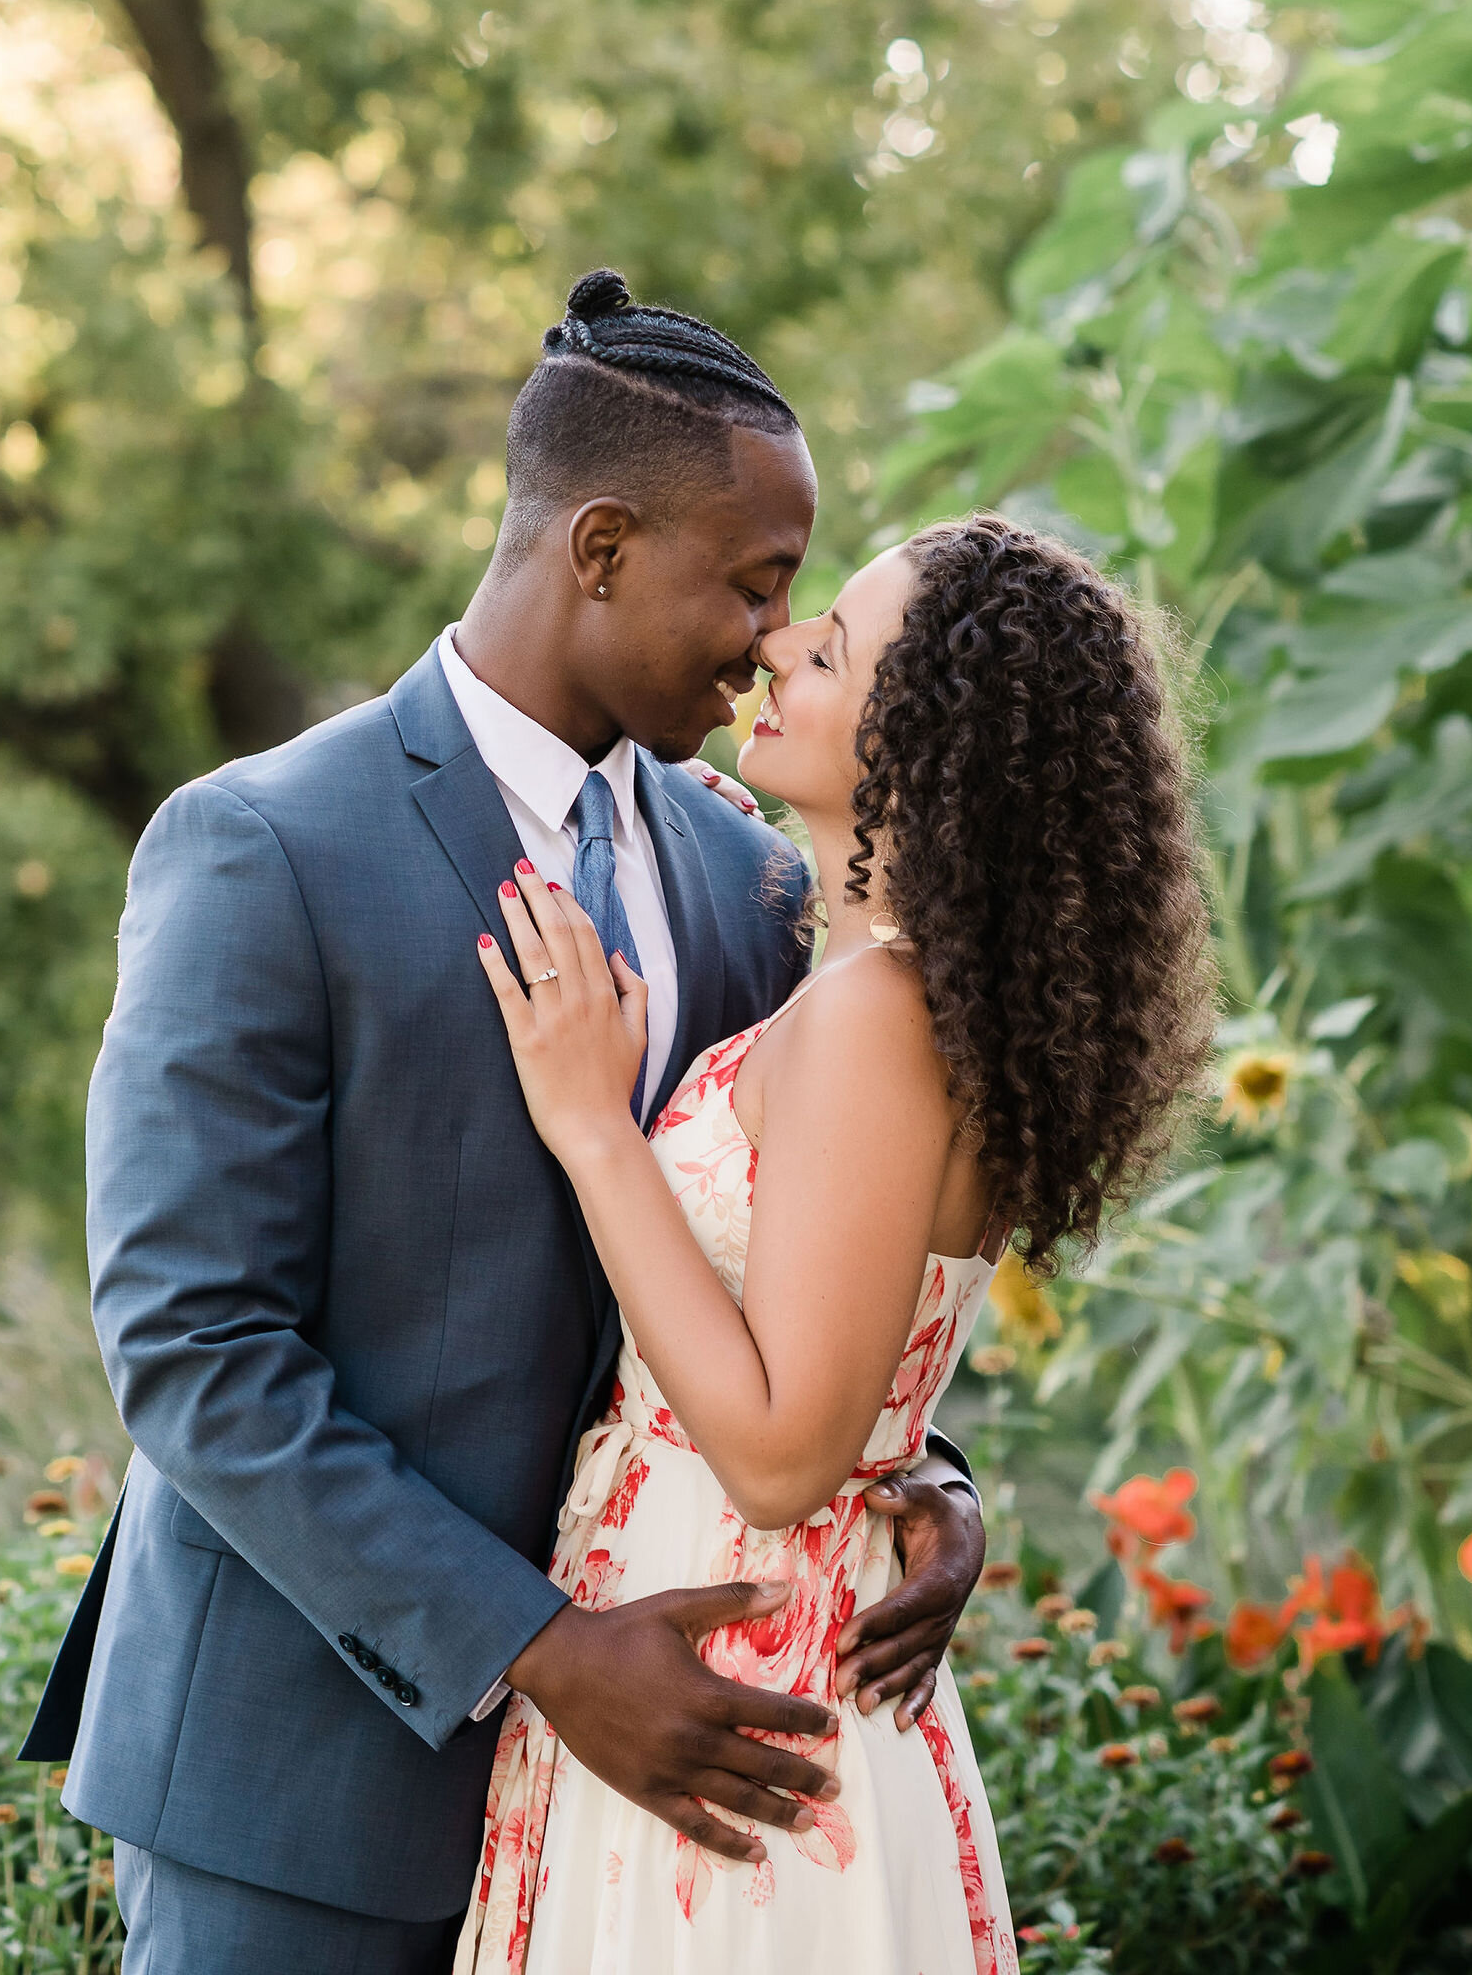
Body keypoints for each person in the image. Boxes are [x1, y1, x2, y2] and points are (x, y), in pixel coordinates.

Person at [22, 270, 989, 1975]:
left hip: (640, 1831)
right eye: (755, 585)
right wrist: (539, 1649)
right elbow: (192, 1349)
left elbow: (792, 1237)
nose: (777, 640)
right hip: (303, 1800)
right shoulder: (263, 847)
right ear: (599, 547)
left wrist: (921, 1476)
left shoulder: (758, 880)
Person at [454, 513, 1213, 1974]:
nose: (779, 642)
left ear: (934, 748)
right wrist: (933, 1480)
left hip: (741, 1687)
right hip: (732, 1654)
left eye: (836, 643)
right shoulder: (874, 994)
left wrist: (595, 1128)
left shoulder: (878, 1020)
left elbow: (789, 1455)